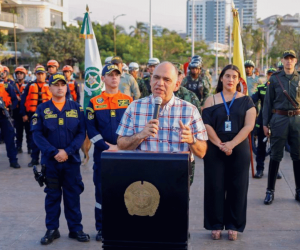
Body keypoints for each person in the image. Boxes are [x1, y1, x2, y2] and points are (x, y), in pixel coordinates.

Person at [32, 74, 89, 245]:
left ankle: (76, 229)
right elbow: (37, 134)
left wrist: (68, 151)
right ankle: (52, 229)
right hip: (51, 162)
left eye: (62, 84)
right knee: (52, 196)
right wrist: (53, 152)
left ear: (67, 87)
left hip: (71, 162)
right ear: (49, 88)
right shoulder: (42, 109)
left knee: (73, 196)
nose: (59, 87)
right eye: (55, 85)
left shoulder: (77, 109)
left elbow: (81, 133)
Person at [202, 64, 256, 241]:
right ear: (221, 78)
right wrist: (220, 144)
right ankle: (215, 225)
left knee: (238, 187)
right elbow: (206, 124)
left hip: (238, 148)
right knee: (214, 186)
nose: (230, 79)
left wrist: (231, 144)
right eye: (227, 76)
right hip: (215, 149)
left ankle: (234, 225)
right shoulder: (211, 100)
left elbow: (249, 125)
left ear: (239, 80)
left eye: (234, 76)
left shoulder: (247, 101)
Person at [116, 61, 207, 163]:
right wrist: (140, 135)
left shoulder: (190, 110)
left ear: (176, 85)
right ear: (151, 81)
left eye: (166, 79)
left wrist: (192, 140)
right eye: (156, 77)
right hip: (143, 174)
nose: (160, 83)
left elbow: (202, 152)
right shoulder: (134, 107)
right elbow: (121, 145)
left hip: (176, 174)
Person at [85, 63, 133, 241]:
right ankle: (101, 227)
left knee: (125, 190)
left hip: (125, 154)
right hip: (102, 155)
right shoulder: (94, 102)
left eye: (117, 75)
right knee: (102, 192)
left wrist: (122, 146)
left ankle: (123, 224)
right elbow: (91, 129)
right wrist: (107, 147)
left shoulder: (129, 101)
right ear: (103, 79)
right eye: (110, 74)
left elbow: (134, 127)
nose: (114, 77)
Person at [263, 50, 300, 205]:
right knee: (276, 155)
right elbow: (267, 103)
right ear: (282, 61)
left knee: (297, 156)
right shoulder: (275, 78)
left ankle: (299, 190)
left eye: (291, 59)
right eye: (286, 59)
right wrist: (265, 123)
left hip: (297, 119)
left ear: (296, 61)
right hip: (279, 119)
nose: (289, 61)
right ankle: (270, 191)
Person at [173, 62, 202, 185]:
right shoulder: (155, 97)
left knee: (184, 190)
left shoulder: (190, 96)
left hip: (184, 152)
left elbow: (199, 126)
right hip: (161, 154)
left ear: (182, 76)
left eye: (177, 74)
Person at [251, 68, 282, 179]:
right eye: (269, 74)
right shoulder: (261, 88)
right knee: (261, 147)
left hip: (277, 121)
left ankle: (275, 170)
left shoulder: (280, 88)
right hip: (263, 121)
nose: (271, 76)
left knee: (276, 148)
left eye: (273, 74)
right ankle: (260, 169)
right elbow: (252, 100)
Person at [21, 65, 52, 167]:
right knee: (34, 136)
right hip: (33, 115)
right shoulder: (30, 85)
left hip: (48, 115)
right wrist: (24, 114)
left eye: (42, 74)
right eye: (38, 74)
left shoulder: (50, 85)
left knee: (48, 137)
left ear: (45, 75)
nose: (40, 76)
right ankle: (34, 159)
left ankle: (47, 158)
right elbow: (23, 100)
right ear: (35, 75)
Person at [0, 65, 20, 168]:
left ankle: (13, 160)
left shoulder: (8, 86)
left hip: (4, 115)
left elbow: (15, 99)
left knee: (10, 138)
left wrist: (9, 108)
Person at [13, 66, 31, 154]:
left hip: (26, 110)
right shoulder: (12, 84)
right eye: (18, 74)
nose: (19, 75)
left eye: (21, 73)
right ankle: (19, 146)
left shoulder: (29, 84)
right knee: (18, 131)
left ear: (24, 74)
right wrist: (15, 97)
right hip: (16, 112)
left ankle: (29, 147)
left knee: (29, 131)